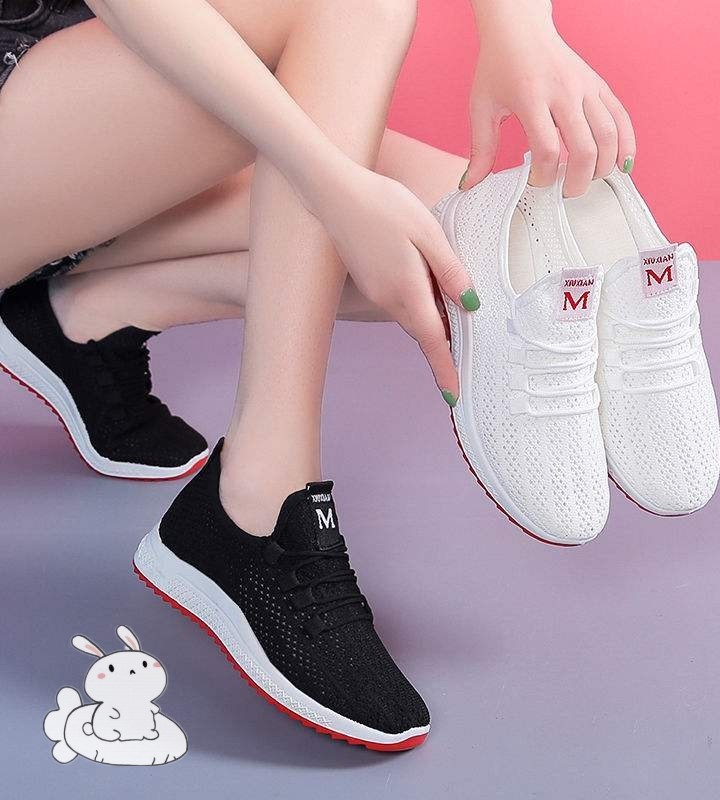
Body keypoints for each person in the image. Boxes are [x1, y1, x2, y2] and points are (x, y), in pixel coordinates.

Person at [0, 0, 636, 748]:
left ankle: (84, 314)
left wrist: (523, 30)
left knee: (484, 238)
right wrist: (328, 182)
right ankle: (259, 495)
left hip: (73, 92)